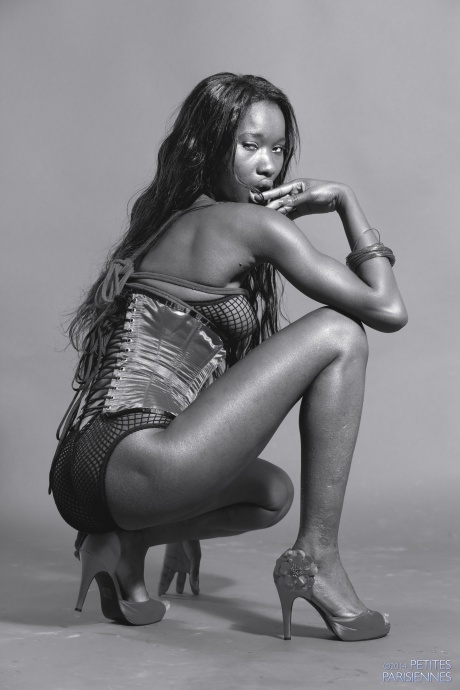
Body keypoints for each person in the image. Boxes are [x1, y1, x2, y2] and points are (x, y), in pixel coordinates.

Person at [49, 72, 407, 640]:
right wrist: (345, 201)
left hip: (85, 467)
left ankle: (123, 541)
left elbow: (194, 383)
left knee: (271, 495)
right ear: (209, 146)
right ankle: (319, 560)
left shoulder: (165, 223)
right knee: (342, 331)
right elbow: (387, 308)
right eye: (250, 145)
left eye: (279, 150)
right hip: (142, 457)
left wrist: (175, 519)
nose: (268, 166)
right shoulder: (250, 224)